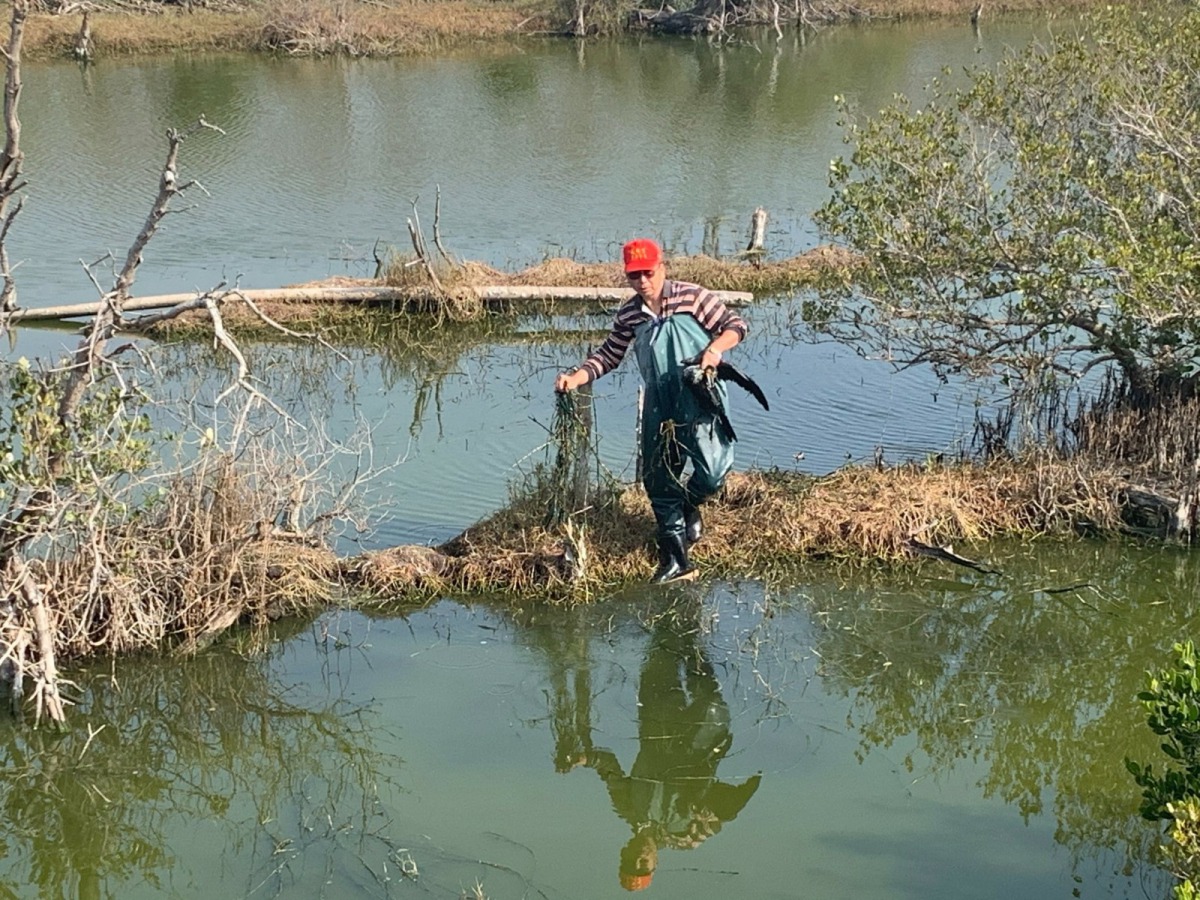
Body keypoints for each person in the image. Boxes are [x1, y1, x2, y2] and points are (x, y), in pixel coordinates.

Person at [554, 238, 748, 583]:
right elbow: (609, 355)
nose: (642, 281)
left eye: (648, 273)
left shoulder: (692, 296)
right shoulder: (629, 313)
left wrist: (715, 351)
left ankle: (689, 505)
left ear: (662, 268)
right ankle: (675, 560)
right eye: (634, 276)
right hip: (660, 403)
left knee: (714, 471)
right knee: (658, 478)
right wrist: (576, 377)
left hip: (699, 396)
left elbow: (736, 326)